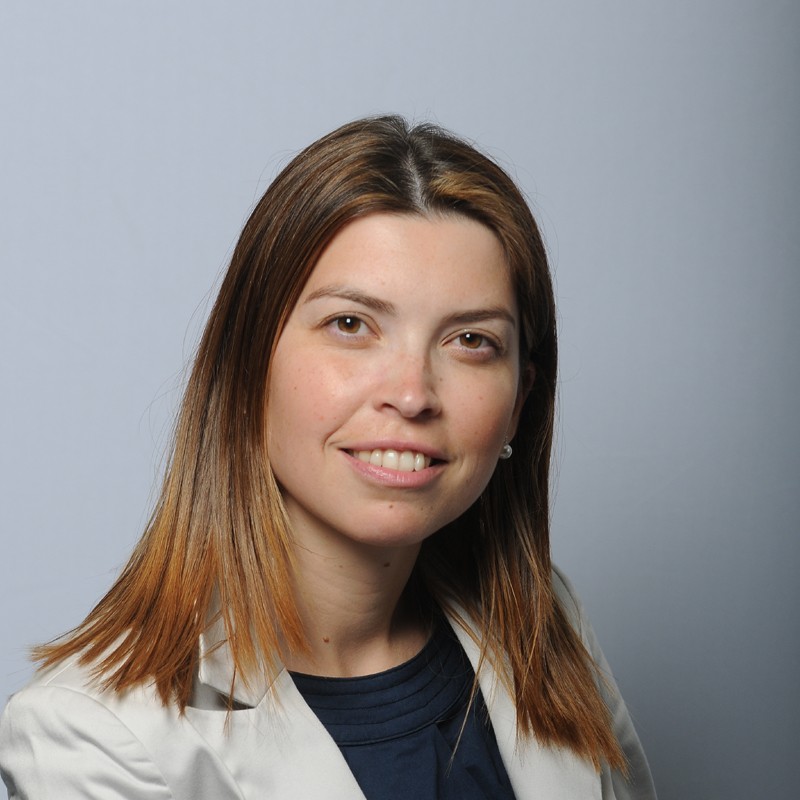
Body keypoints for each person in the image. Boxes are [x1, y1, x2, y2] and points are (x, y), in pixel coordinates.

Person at [0, 115, 657, 799]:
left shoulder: (546, 620)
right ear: (249, 366)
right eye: (351, 325)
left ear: (520, 399)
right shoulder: (94, 740)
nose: (412, 394)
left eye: (471, 340)